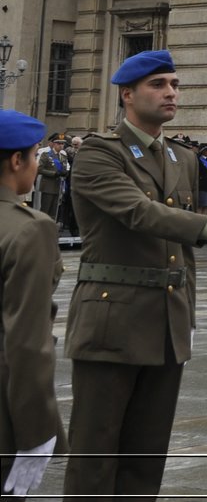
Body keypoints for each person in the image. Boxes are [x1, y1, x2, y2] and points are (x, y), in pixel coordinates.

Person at [64, 49, 207, 501]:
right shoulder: (99, 153)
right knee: (96, 452)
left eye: (174, 84)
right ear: (127, 95)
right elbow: (137, 213)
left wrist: (185, 307)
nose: (170, 92)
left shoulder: (181, 158)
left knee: (146, 456)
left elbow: (175, 252)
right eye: (158, 84)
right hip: (112, 321)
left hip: (167, 320)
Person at [0, 110, 65, 499]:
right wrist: (38, 431)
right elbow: (26, 341)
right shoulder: (31, 227)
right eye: (36, 155)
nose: (38, 165)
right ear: (16, 160)